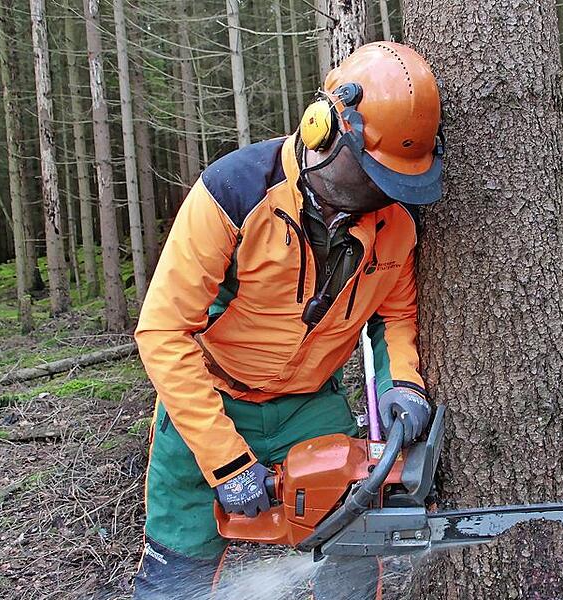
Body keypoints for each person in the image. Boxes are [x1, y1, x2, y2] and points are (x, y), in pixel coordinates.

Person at [132, 41, 444, 599]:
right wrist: (226, 461)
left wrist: (403, 383)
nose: (382, 191)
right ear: (323, 129)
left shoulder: (396, 223)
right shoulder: (235, 192)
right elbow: (162, 330)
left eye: (395, 180)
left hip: (309, 402)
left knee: (355, 542)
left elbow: (393, 314)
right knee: (177, 568)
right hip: (208, 398)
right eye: (372, 173)